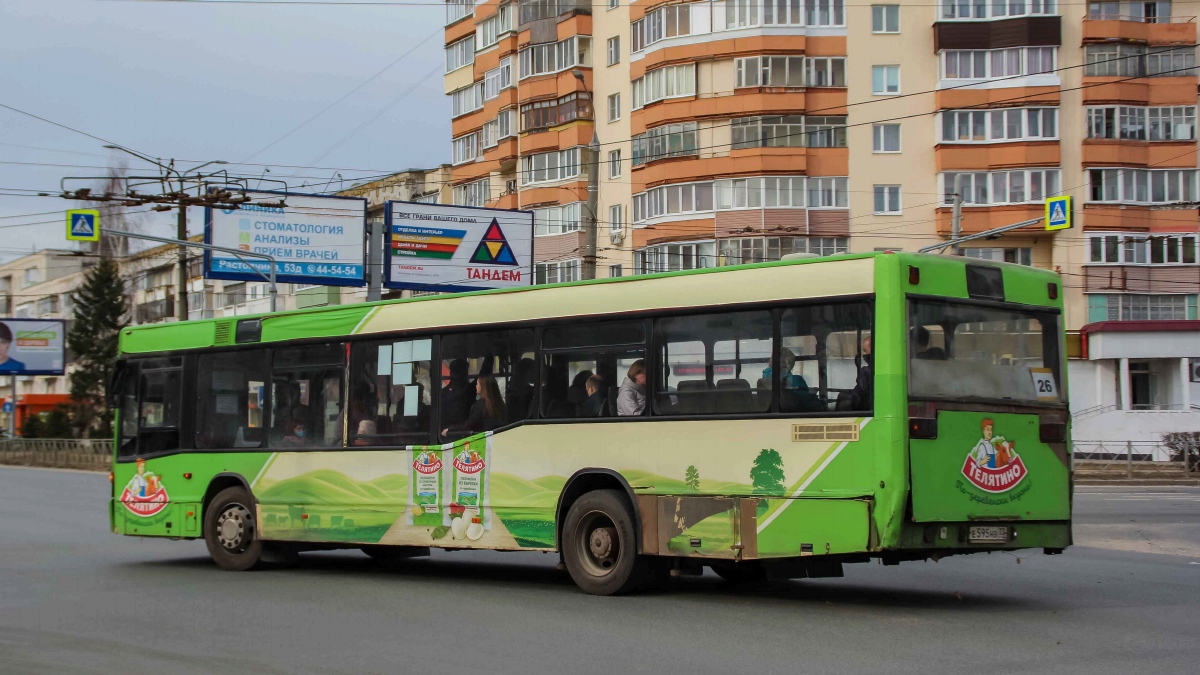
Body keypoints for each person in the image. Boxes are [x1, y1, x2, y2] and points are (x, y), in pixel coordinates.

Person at [764, 348, 821, 412]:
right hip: (792, 411)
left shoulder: (764, 379)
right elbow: (805, 401)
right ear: (789, 363)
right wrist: (816, 397)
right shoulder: (796, 379)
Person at [838, 336, 873, 411]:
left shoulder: (866, 372)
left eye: (865, 350)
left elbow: (858, 397)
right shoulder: (877, 369)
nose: (863, 354)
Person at [440, 358, 475, 428]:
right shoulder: (469, 389)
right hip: (464, 432)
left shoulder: (442, 392)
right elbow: (484, 372)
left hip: (445, 432)